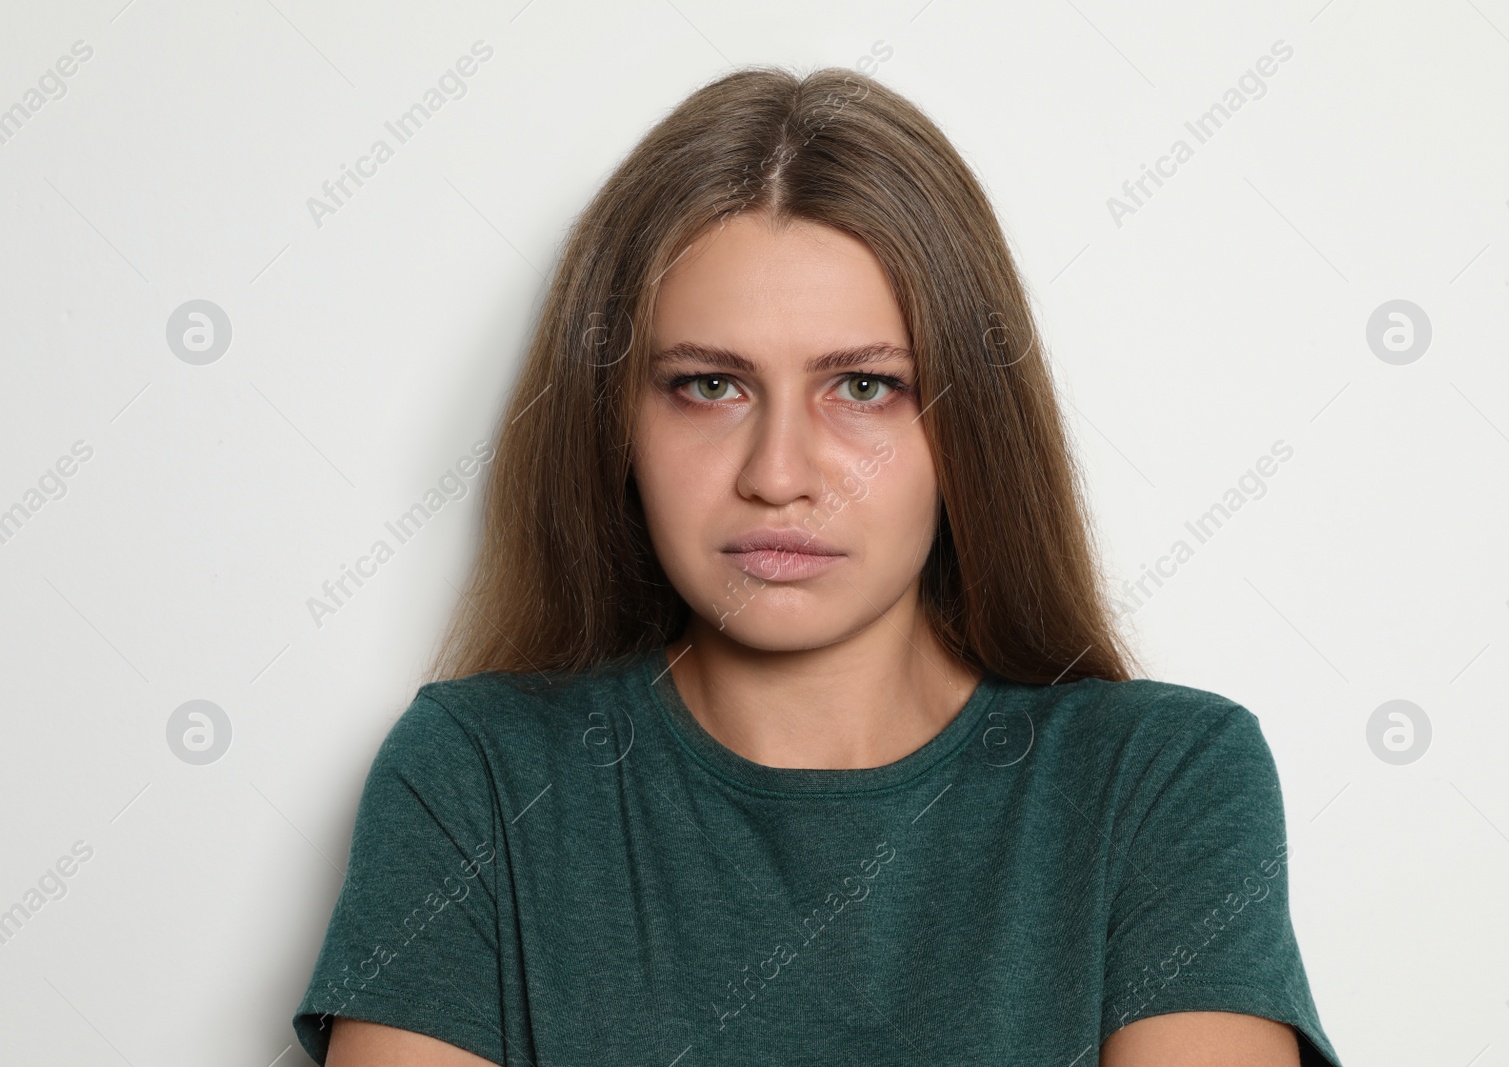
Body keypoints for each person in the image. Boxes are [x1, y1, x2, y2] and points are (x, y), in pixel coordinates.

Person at [291, 65, 1342, 1067]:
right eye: (708, 385)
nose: (780, 473)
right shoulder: (476, 774)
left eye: (865, 388)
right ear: (614, 421)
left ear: (966, 419)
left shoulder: (1162, 781)